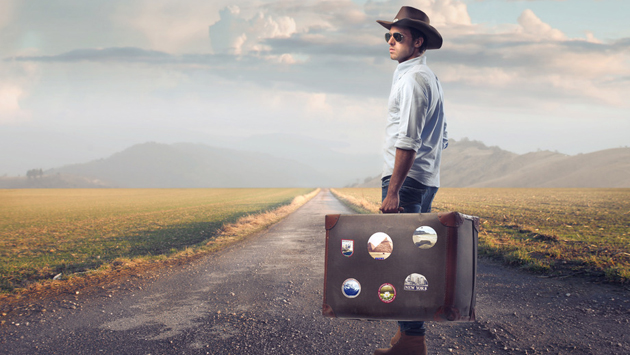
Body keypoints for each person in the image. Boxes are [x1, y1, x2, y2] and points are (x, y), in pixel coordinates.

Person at [375, 6, 448, 355]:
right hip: (421, 179)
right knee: (410, 260)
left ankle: (413, 339)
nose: (390, 40)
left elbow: (408, 140)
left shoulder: (415, 80)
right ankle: (408, 337)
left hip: (407, 181)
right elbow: (443, 135)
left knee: (403, 261)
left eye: (398, 36)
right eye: (388, 35)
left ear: (417, 42)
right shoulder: (420, 76)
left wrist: (394, 191)